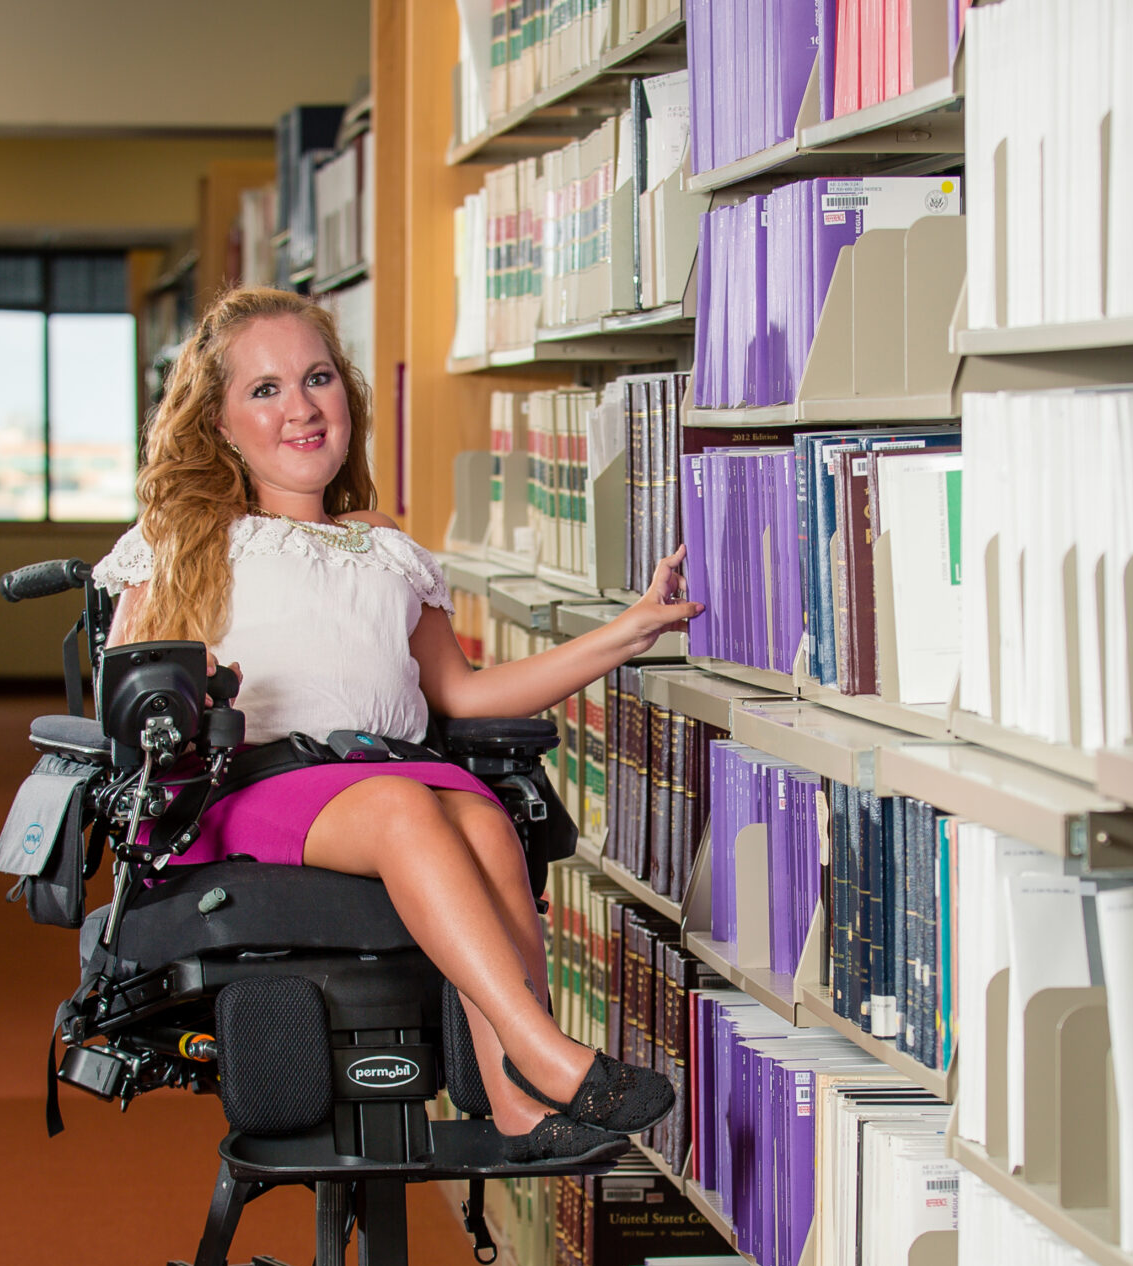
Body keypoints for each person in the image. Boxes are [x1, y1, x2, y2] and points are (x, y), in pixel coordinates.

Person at [95, 287, 701, 1156]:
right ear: (221, 423)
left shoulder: (382, 545)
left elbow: (464, 694)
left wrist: (627, 632)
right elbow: (131, 697)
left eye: (317, 379)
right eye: (264, 391)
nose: (300, 407)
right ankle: (547, 1054)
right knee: (407, 808)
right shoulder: (183, 540)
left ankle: (514, 1098)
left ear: (347, 396)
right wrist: (196, 697)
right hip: (254, 784)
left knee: (484, 822)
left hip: (385, 772)